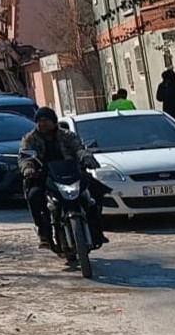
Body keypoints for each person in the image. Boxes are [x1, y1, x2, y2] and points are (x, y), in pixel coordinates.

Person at [18, 106, 108, 252]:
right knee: (34, 196)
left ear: (54, 121)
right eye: (39, 121)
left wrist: (87, 158)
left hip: (71, 173)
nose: (42, 124)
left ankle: (96, 229)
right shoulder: (30, 138)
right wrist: (28, 168)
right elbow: (24, 157)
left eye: (46, 120)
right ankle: (45, 234)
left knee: (96, 191)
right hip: (44, 176)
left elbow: (79, 149)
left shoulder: (67, 135)